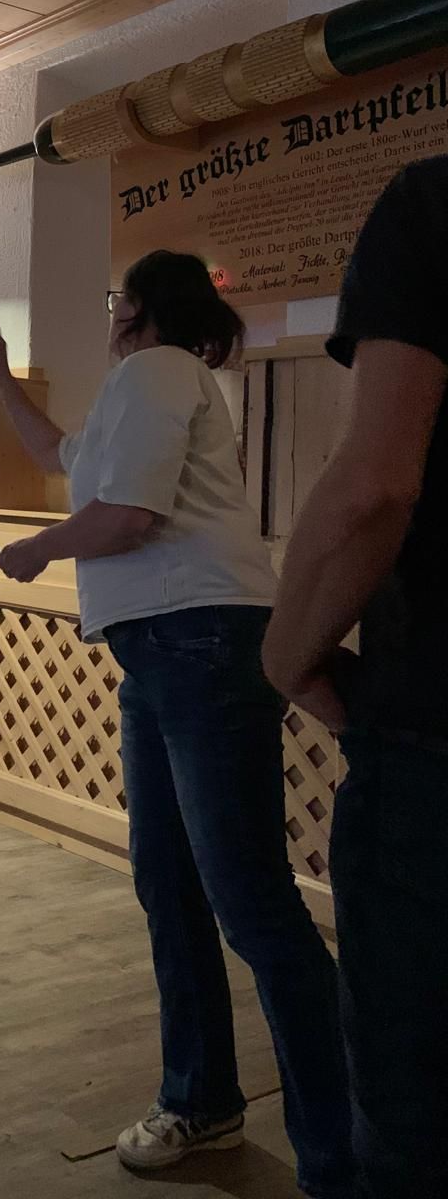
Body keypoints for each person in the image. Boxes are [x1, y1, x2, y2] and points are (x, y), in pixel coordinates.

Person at [0, 250, 355, 1199]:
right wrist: (2, 379)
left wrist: (37, 549)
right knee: (173, 887)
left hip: (200, 644)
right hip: (166, 654)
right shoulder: (141, 387)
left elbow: (130, 518)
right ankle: (203, 1100)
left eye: (119, 298)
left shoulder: (158, 370)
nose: (111, 312)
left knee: (250, 904)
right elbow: (57, 454)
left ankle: (346, 1158)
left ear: (143, 308)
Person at [263, 157, 448, 1199]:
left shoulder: (432, 205)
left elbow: (374, 485)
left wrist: (284, 651)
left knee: (413, 1140)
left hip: (435, 750)